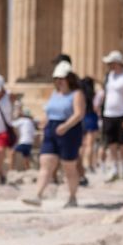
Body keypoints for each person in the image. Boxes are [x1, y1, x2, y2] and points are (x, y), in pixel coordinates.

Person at [26, 60, 87, 208]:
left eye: (61, 78)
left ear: (69, 78)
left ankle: (72, 197)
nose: (58, 81)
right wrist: (44, 122)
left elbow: (79, 114)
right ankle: (37, 195)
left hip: (69, 131)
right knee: (45, 163)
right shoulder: (54, 94)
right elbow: (50, 111)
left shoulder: (76, 94)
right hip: (52, 129)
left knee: (69, 166)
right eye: (56, 79)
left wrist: (65, 126)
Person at [98, 51, 123, 182]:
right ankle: (114, 167)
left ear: (117, 63)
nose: (108, 65)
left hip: (121, 114)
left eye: (110, 63)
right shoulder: (109, 77)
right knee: (111, 143)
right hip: (108, 114)